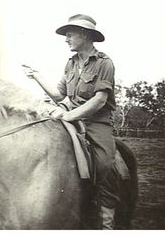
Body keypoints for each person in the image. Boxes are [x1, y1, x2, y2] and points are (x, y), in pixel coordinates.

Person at [23, 14, 120, 230]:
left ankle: (107, 220)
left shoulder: (104, 63)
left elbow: (99, 100)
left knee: (105, 164)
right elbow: (59, 95)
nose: (66, 39)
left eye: (70, 35)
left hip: (96, 122)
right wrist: (37, 76)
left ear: (84, 34)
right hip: (70, 114)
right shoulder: (71, 63)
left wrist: (69, 116)